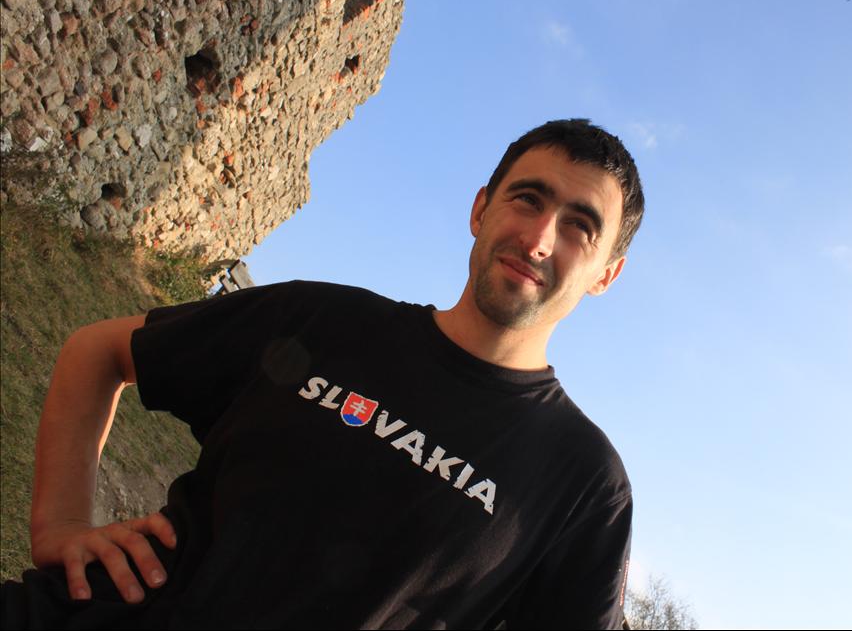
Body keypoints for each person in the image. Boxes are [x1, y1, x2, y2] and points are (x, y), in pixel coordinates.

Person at [1, 118, 645, 629]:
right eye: (527, 199)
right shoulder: (320, 319)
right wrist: (62, 526)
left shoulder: (584, 482)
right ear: (481, 210)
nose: (539, 238)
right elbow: (100, 351)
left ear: (606, 274)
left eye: (579, 228)